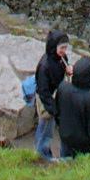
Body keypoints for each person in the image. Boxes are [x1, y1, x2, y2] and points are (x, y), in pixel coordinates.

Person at [53, 55, 90, 159]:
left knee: (65, 160)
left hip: (65, 135)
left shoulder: (63, 87)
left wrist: (61, 127)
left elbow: (57, 112)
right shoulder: (89, 99)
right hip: (82, 143)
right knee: (80, 164)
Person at [33, 29, 71, 162]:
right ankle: (40, 155)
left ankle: (44, 152)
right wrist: (53, 109)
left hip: (54, 97)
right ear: (54, 46)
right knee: (45, 128)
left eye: (65, 48)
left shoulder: (61, 58)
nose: (64, 51)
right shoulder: (45, 66)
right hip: (47, 100)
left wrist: (68, 71)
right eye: (62, 48)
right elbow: (43, 91)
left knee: (48, 129)